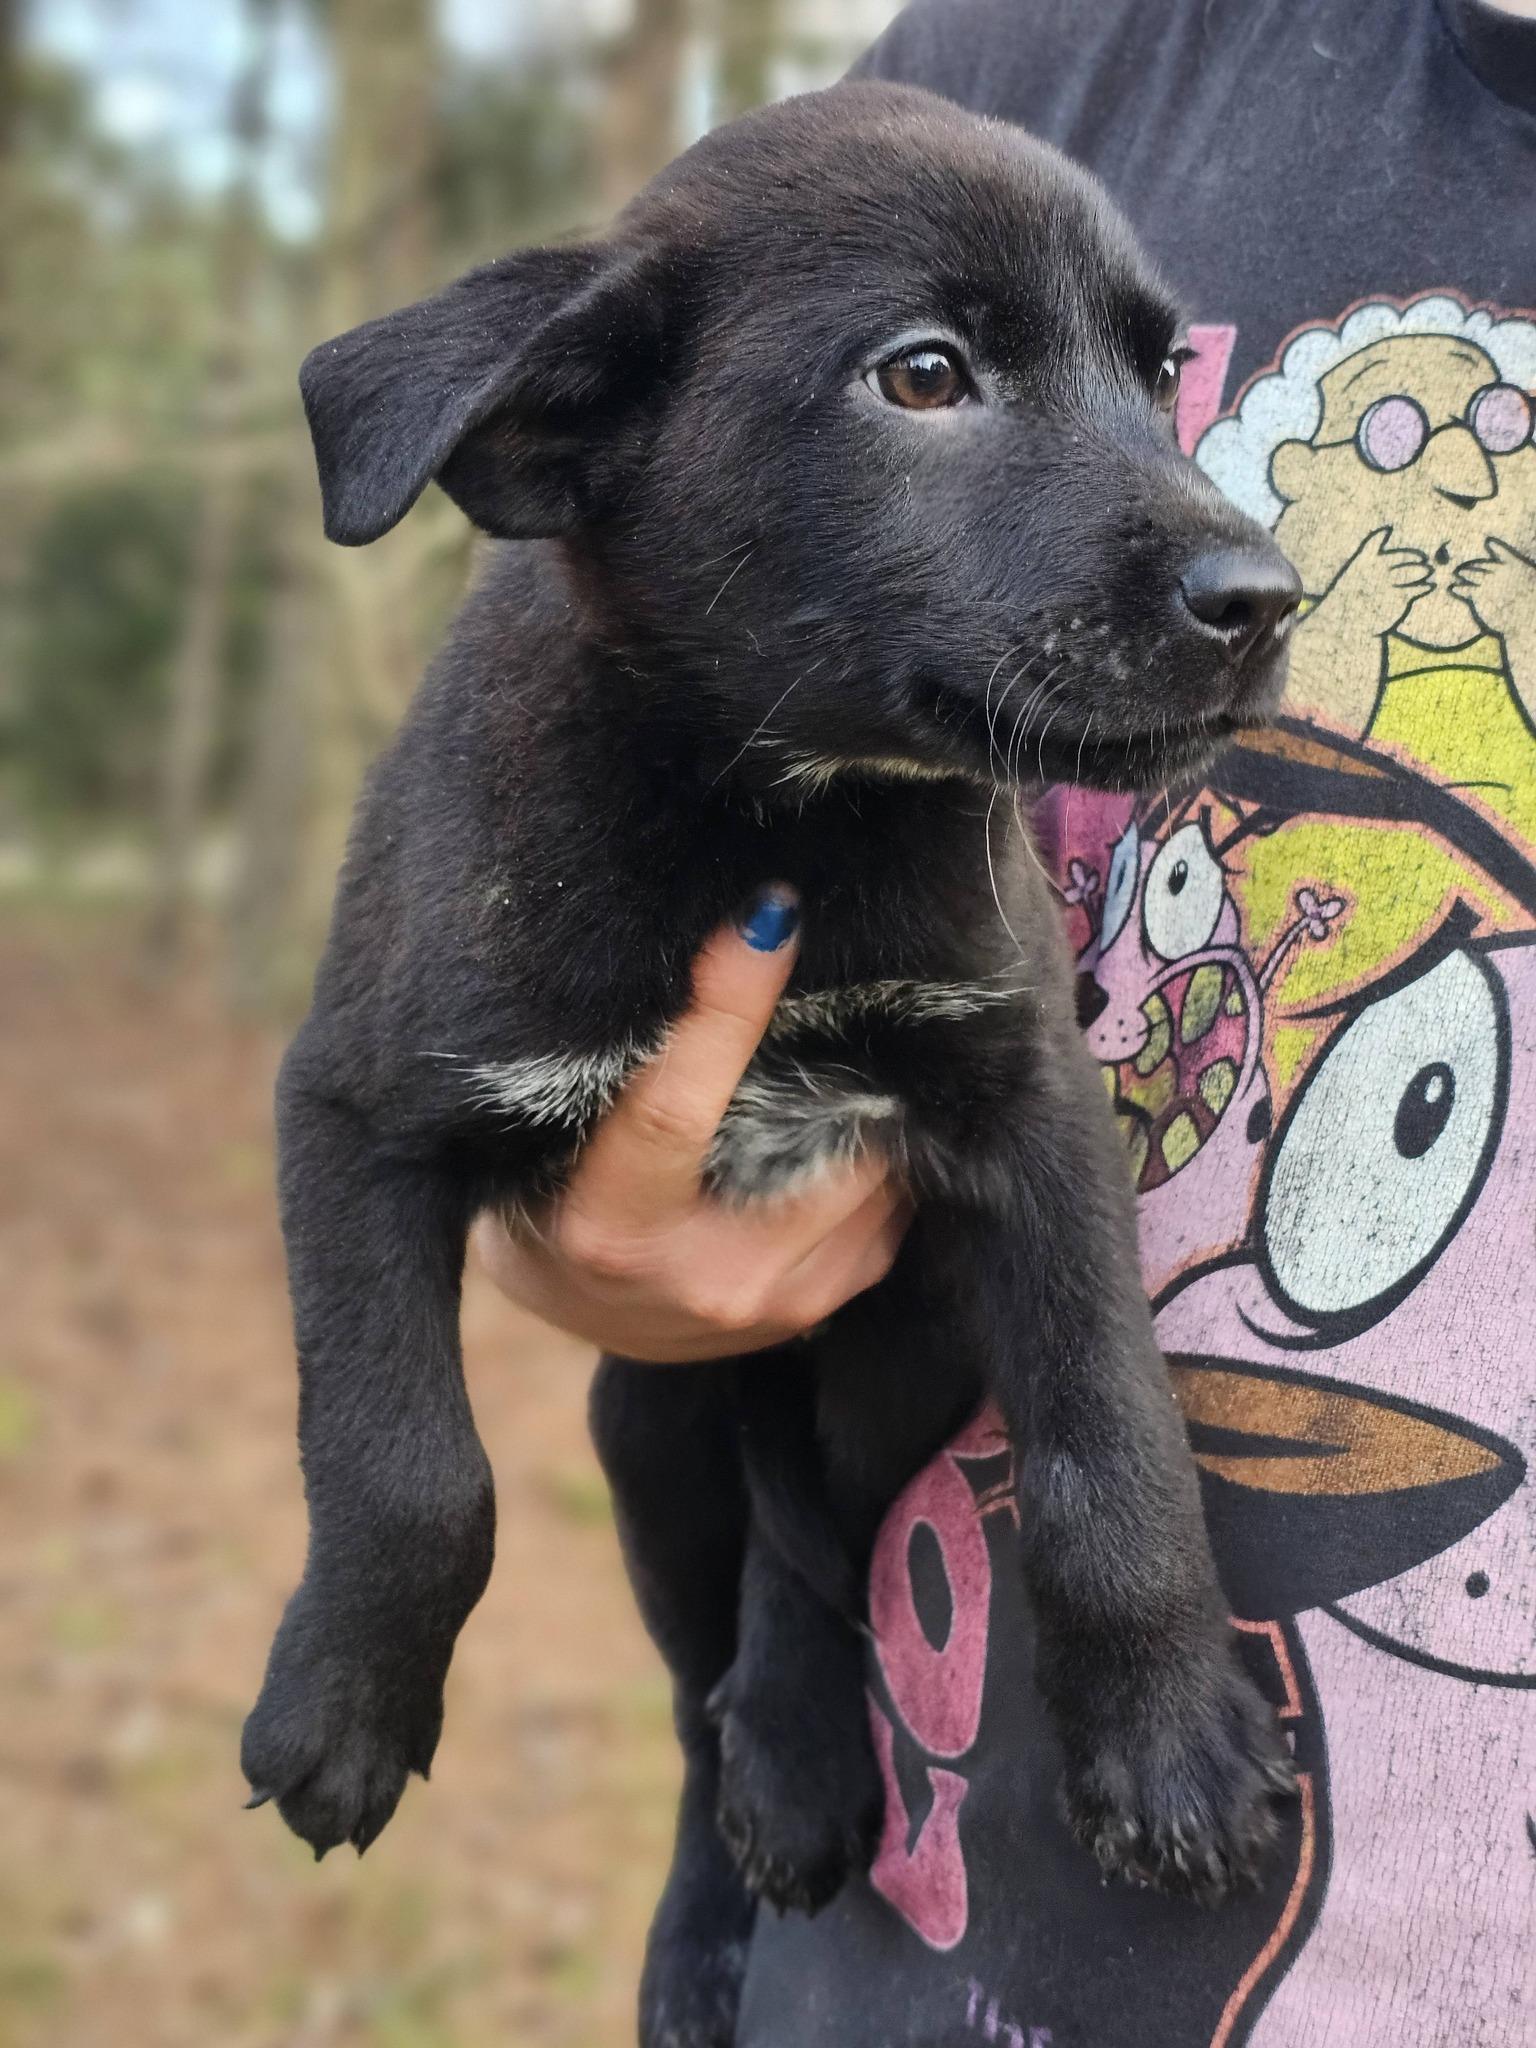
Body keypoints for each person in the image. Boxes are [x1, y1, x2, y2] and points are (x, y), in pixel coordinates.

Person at [476, 1, 1536, 2039]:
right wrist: (583, 1207)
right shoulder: (1043, 66)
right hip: (942, 1926)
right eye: (952, 378)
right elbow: (597, 690)